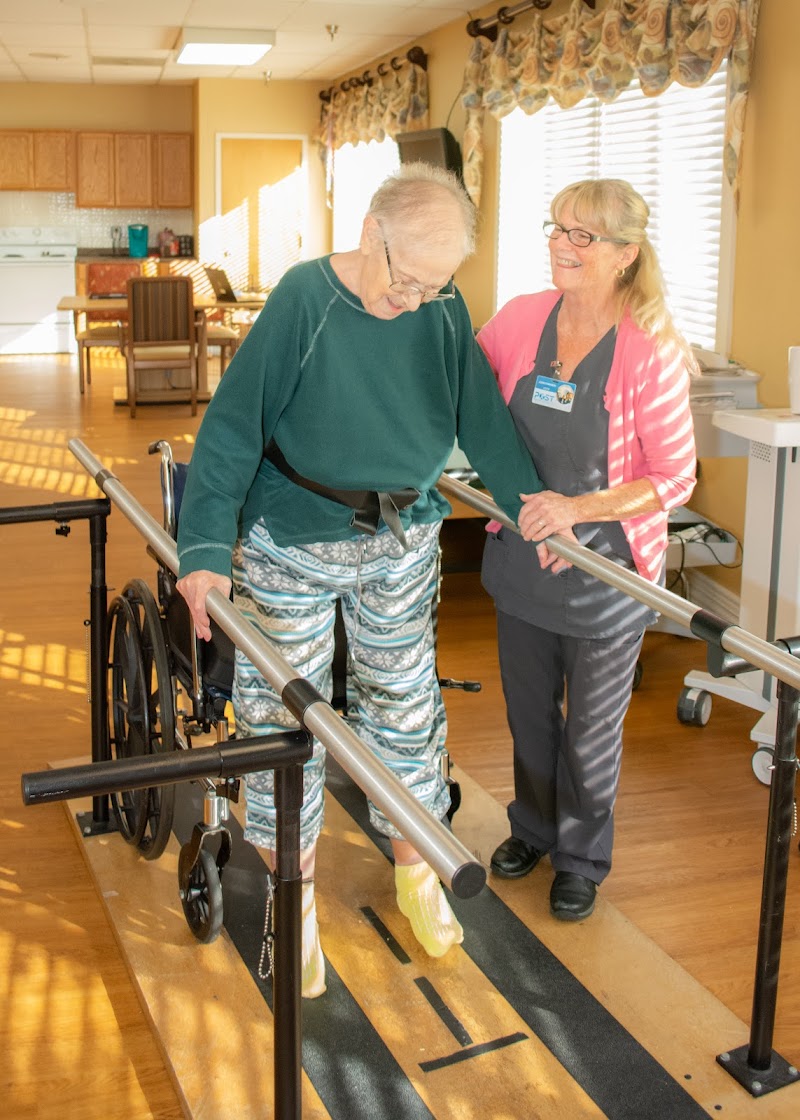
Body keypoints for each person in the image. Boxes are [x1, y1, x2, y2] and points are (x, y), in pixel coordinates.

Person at [175, 162, 545, 996]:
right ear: (371, 231)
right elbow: (233, 428)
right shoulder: (308, 299)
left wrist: (531, 509)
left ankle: (416, 869)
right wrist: (202, 554)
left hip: (400, 541)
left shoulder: (441, 306)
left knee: (405, 709)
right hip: (294, 539)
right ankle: (292, 898)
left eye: (435, 285)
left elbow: (479, 416)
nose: (416, 300)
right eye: (406, 279)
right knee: (286, 718)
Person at [478, 178, 697, 922]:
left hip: (607, 571)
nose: (561, 245)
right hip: (522, 555)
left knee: (590, 731)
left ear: (625, 255)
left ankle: (580, 858)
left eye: (583, 236)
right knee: (529, 714)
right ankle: (533, 830)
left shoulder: (650, 347)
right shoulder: (519, 318)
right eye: (556, 228)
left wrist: (577, 510)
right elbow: (468, 398)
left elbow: (674, 476)